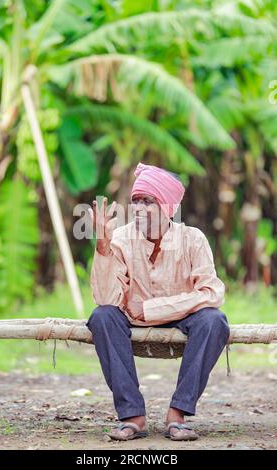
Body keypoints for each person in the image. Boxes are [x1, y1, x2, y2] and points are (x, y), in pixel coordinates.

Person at [86, 162, 230, 441]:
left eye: (148, 202)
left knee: (214, 320)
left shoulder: (192, 238)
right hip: (130, 317)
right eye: (135, 201)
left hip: (183, 315)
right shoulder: (120, 238)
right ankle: (132, 416)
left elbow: (212, 293)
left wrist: (153, 309)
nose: (139, 208)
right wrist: (102, 245)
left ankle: (178, 414)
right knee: (102, 316)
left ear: (167, 208)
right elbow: (105, 298)